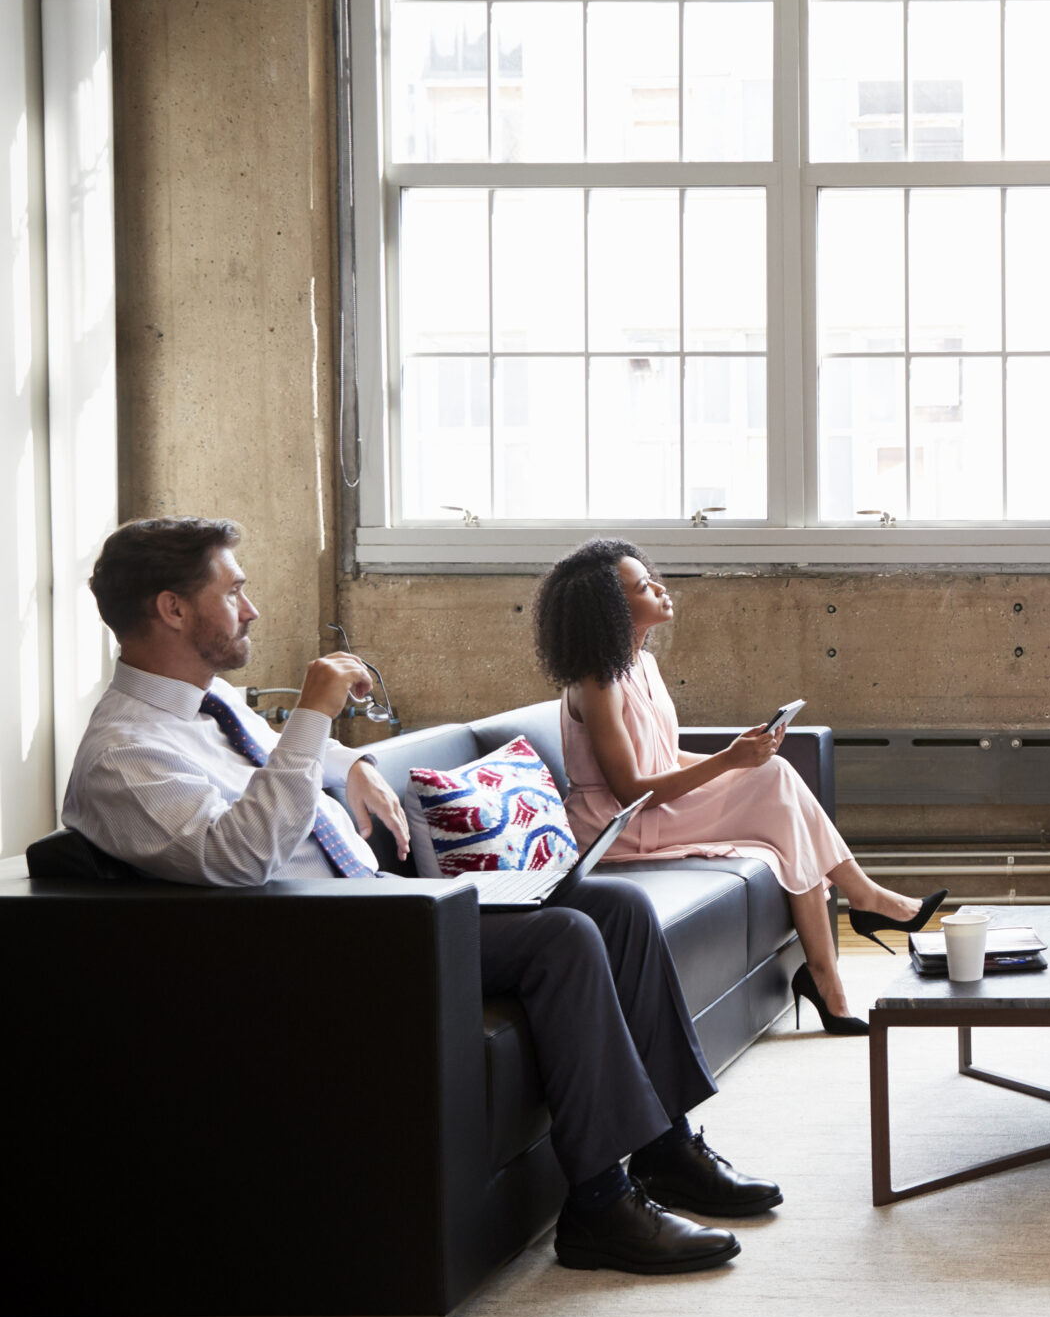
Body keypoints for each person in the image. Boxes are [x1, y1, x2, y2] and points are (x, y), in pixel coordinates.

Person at [61, 517, 775, 1278]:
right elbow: (239, 858)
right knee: (564, 936)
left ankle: (665, 1146)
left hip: (374, 910)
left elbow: (283, 764)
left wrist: (352, 761)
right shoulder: (124, 755)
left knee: (617, 908)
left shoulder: (212, 706)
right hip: (318, 943)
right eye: (233, 590)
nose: (252, 608)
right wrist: (312, 714)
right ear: (172, 609)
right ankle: (600, 1204)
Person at [535, 539, 944, 1040]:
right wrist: (732, 761)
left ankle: (833, 972)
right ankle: (862, 910)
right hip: (618, 829)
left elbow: (665, 757)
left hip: (653, 812)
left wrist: (738, 762)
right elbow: (629, 789)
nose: (661, 589)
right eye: (644, 587)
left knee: (777, 796)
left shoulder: (642, 664)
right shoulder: (596, 682)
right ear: (610, 610)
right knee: (775, 788)